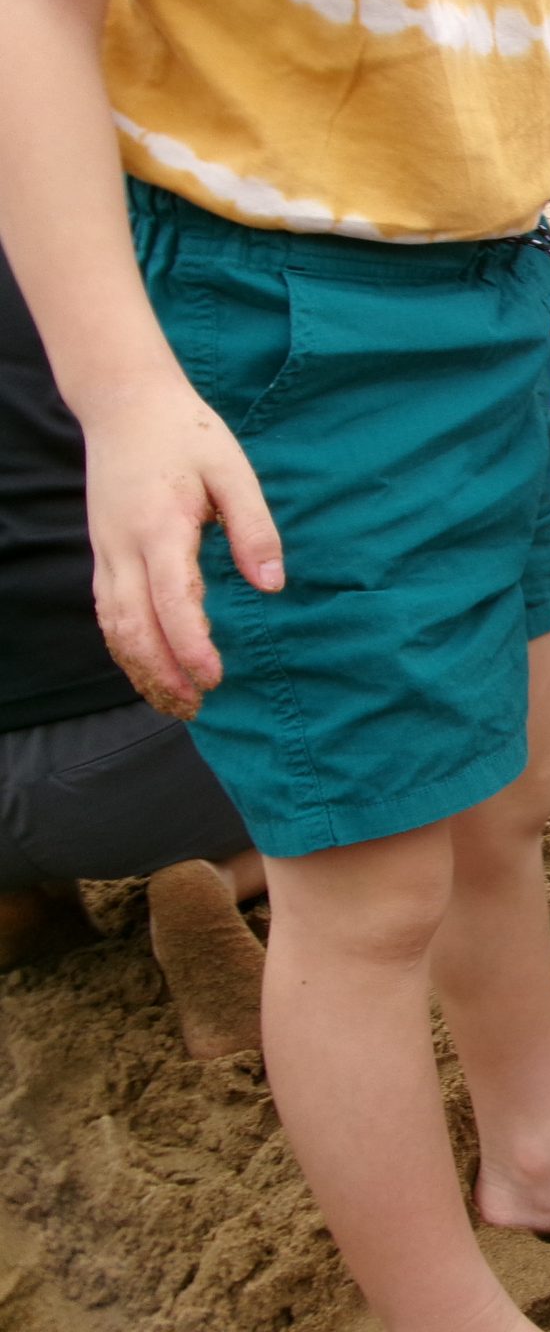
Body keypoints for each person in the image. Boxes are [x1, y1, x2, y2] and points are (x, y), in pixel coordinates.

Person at [0, 0, 550, 1327]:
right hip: (269, 300)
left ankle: (538, 1151)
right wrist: (123, 392)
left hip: (491, 287)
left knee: (509, 791)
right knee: (366, 885)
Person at [0, 241, 267, 1060]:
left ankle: (23, 903)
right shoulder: (82, 238)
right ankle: (229, 873)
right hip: (127, 759)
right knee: (440, 727)